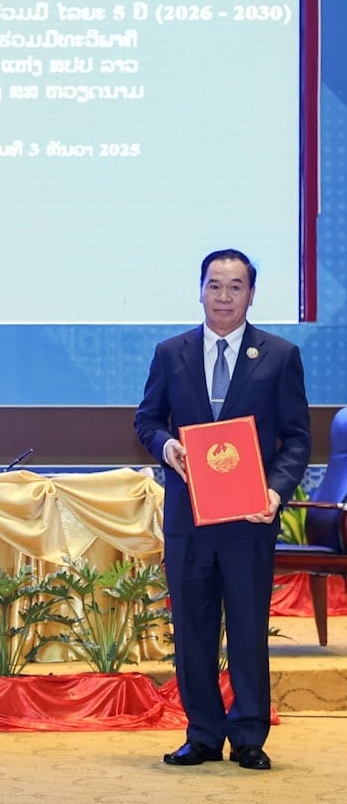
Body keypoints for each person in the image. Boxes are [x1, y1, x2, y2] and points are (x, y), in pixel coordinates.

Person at [135, 248, 310, 771]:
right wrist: (167, 446)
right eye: (215, 285)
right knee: (193, 631)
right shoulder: (171, 353)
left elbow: (297, 438)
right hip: (189, 520)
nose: (224, 296)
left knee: (248, 629)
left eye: (236, 287)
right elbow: (147, 421)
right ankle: (203, 734)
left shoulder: (279, 355)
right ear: (200, 291)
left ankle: (250, 736)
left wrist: (275, 492)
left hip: (249, 520)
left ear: (251, 294)